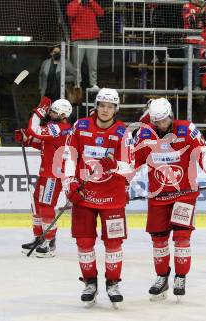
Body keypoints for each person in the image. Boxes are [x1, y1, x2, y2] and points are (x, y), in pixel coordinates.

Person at [134, 98, 206, 301]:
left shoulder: (187, 129)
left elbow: (204, 154)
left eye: (165, 120)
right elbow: (132, 161)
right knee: (158, 238)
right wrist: (120, 182)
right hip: (158, 196)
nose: (161, 125)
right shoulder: (144, 134)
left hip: (184, 194)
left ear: (171, 115)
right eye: (157, 121)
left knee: (181, 236)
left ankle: (180, 277)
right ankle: (162, 277)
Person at [63, 88, 133, 308]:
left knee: (113, 242)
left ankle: (113, 283)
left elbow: (130, 167)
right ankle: (90, 283)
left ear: (116, 109)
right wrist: (70, 184)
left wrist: (115, 165)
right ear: (96, 106)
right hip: (84, 195)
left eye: (110, 106)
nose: (105, 110)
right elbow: (69, 157)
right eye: (102, 105)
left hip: (113, 197)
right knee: (84, 242)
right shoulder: (80, 126)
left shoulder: (123, 132)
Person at [18, 97, 73, 258]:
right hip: (45, 172)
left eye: (54, 112)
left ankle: (49, 241)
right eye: (51, 111)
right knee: (37, 204)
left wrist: (38, 111)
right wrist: (27, 140)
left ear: (63, 114)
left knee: (46, 206)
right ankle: (38, 238)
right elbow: (42, 142)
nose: (51, 113)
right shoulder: (53, 127)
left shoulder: (60, 128)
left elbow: (35, 129)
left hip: (53, 174)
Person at [67, 0, 104, 89]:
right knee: (77, 64)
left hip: (92, 38)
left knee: (93, 63)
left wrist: (91, 1)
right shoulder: (72, 3)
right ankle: (77, 84)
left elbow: (101, 13)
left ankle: (93, 83)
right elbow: (71, 14)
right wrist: (78, 1)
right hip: (78, 39)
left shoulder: (91, 4)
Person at [182, 0, 206, 90]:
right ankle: (186, 85)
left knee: (198, 64)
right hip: (189, 38)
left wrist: (204, 11)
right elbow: (190, 20)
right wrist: (202, 12)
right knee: (188, 63)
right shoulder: (187, 5)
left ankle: (197, 85)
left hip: (201, 39)